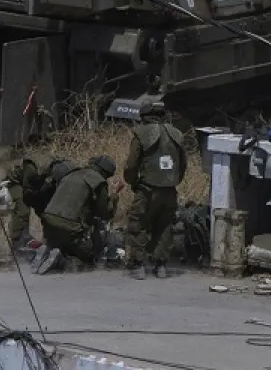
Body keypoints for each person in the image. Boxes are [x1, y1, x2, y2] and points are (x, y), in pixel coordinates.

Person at [123, 101, 186, 280]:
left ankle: (138, 265)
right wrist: (173, 181)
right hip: (170, 190)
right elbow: (183, 164)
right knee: (165, 227)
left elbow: (131, 165)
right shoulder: (177, 134)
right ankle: (161, 266)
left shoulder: (141, 133)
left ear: (144, 117)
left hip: (147, 189)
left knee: (138, 224)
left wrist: (133, 182)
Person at [36, 155, 116, 274]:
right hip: (70, 230)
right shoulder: (98, 181)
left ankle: (49, 249)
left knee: (63, 239)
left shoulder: (71, 174)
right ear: (107, 173)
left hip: (48, 225)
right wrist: (115, 196)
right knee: (91, 253)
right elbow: (104, 213)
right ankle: (62, 260)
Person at [0, 154, 75, 252]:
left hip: (32, 187)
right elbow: (28, 193)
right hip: (14, 184)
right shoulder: (31, 170)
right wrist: (42, 194)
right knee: (23, 209)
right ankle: (17, 241)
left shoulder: (55, 171)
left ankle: (48, 239)